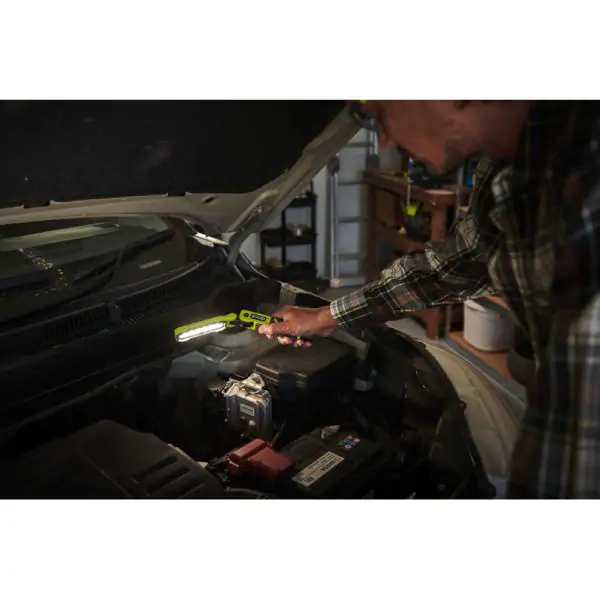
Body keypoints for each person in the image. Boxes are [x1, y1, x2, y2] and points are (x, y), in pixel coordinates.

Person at [258, 100, 600, 499]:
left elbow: (578, 439)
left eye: (377, 113)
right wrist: (325, 316)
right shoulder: (507, 173)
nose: (384, 139)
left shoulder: (586, 178)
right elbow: (452, 265)